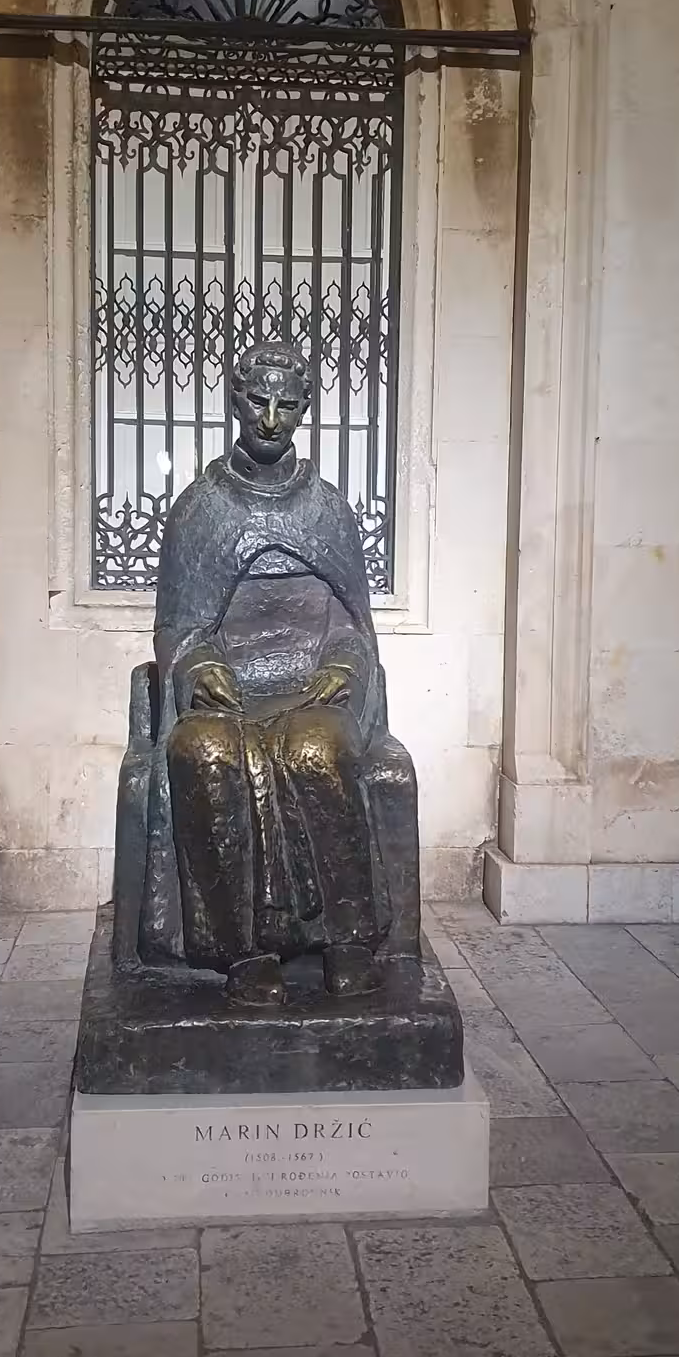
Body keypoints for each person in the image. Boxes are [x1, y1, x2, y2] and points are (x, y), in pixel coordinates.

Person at [146, 339, 404, 1006]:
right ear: (235, 401)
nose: (269, 418)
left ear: (304, 410)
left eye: (286, 405)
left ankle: (345, 939)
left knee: (316, 749)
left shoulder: (327, 510)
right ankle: (242, 950)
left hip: (312, 683)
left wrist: (343, 666)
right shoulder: (199, 510)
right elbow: (179, 628)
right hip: (227, 688)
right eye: (257, 401)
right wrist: (199, 666)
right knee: (203, 752)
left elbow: (354, 627)